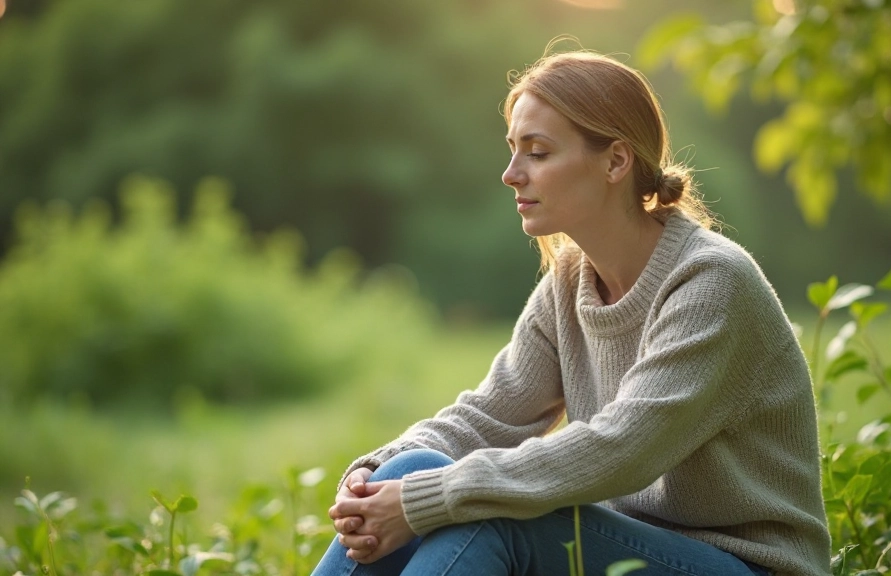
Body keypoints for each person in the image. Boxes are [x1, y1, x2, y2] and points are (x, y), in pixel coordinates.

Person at [310, 48, 831, 576]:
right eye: (513, 150)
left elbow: (623, 447)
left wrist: (434, 497)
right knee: (414, 467)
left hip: (747, 565)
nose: (511, 174)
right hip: (627, 549)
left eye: (536, 152)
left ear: (615, 161)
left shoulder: (711, 282)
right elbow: (490, 414)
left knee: (491, 513)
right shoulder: (570, 281)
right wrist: (372, 478)